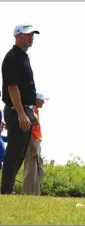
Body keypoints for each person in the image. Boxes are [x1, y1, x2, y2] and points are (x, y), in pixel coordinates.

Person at [1, 24, 39, 194]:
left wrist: (31, 111)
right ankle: (6, 190)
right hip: (17, 111)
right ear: (17, 36)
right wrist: (22, 114)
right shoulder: (13, 57)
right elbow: (12, 87)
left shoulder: (23, 56)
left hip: (25, 110)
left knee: (20, 152)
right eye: (27, 34)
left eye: (32, 34)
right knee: (14, 152)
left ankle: (7, 189)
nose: (31, 37)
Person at [23, 92, 48, 195]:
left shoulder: (36, 110)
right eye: (42, 100)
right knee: (31, 170)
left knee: (39, 169)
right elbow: (27, 132)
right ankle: (27, 193)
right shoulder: (31, 111)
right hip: (31, 142)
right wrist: (32, 147)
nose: (44, 102)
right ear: (37, 100)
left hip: (37, 141)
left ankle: (36, 194)